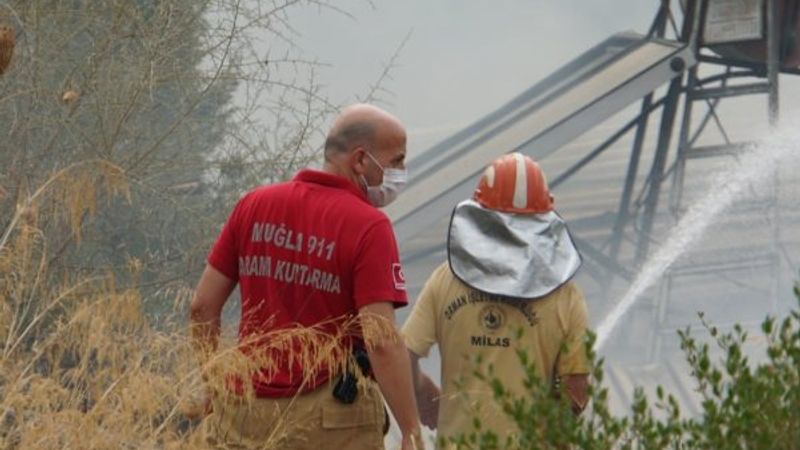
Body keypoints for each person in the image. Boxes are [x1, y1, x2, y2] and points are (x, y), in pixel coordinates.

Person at [190, 104, 425, 450]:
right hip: (329, 421)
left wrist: (215, 387)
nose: (402, 171)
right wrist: (410, 428)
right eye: (396, 161)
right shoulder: (368, 227)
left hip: (242, 412)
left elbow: (201, 307)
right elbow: (381, 341)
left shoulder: (253, 205)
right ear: (360, 161)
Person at [401, 152, 590, 444]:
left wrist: (423, 393)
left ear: (480, 217)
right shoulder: (566, 297)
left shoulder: (445, 280)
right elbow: (575, 393)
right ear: (543, 222)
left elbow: (403, 355)